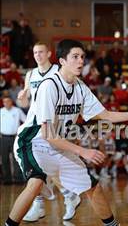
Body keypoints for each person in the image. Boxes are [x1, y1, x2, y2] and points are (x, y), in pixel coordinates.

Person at [4, 39, 128, 226]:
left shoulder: (80, 87)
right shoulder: (49, 86)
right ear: (62, 61)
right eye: (75, 57)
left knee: (92, 187)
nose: (81, 61)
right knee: (36, 182)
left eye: (82, 57)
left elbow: (105, 115)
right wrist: (84, 151)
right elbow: (48, 135)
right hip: (33, 142)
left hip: (60, 143)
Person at [17, 41, 80, 222]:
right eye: (35, 52)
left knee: (45, 165)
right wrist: (22, 97)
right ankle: (61, 197)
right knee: (35, 163)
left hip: (53, 123)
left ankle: (45, 201)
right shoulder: (30, 74)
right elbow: (26, 103)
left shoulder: (57, 72)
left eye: (41, 52)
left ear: (49, 53)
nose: (38, 55)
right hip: (34, 123)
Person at [1, 96, 26, 185]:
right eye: (4, 102)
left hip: (15, 137)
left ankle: (18, 178)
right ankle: (7, 179)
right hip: (3, 138)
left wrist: (21, 133)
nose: (6, 103)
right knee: (5, 159)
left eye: (8, 101)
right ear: (3, 103)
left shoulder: (17, 110)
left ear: (11, 102)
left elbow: (26, 121)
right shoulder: (1, 111)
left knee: (16, 158)